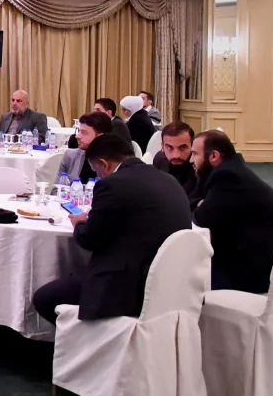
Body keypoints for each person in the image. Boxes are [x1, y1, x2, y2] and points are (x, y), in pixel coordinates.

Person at [31, 134, 192, 325]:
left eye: (96, 171)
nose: (99, 175)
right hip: (171, 284)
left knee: (44, 298)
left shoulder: (112, 184)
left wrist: (80, 223)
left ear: (104, 164)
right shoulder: (168, 180)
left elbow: (89, 239)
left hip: (129, 287)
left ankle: (87, 340)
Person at [191, 130, 273, 294]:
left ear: (214, 156)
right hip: (267, 253)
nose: (191, 160)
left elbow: (201, 219)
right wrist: (200, 203)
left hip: (268, 268)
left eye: (195, 154)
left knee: (194, 276)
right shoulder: (227, 171)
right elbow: (194, 200)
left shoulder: (229, 177)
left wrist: (201, 205)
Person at [152, 122, 198, 205]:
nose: (176, 155)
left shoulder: (199, 165)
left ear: (192, 145)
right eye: (169, 147)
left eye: (182, 147)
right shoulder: (159, 160)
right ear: (162, 146)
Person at [58, 111, 111, 184]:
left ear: (99, 137)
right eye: (79, 131)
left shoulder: (112, 162)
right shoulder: (70, 156)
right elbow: (57, 188)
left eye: (84, 132)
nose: (77, 136)